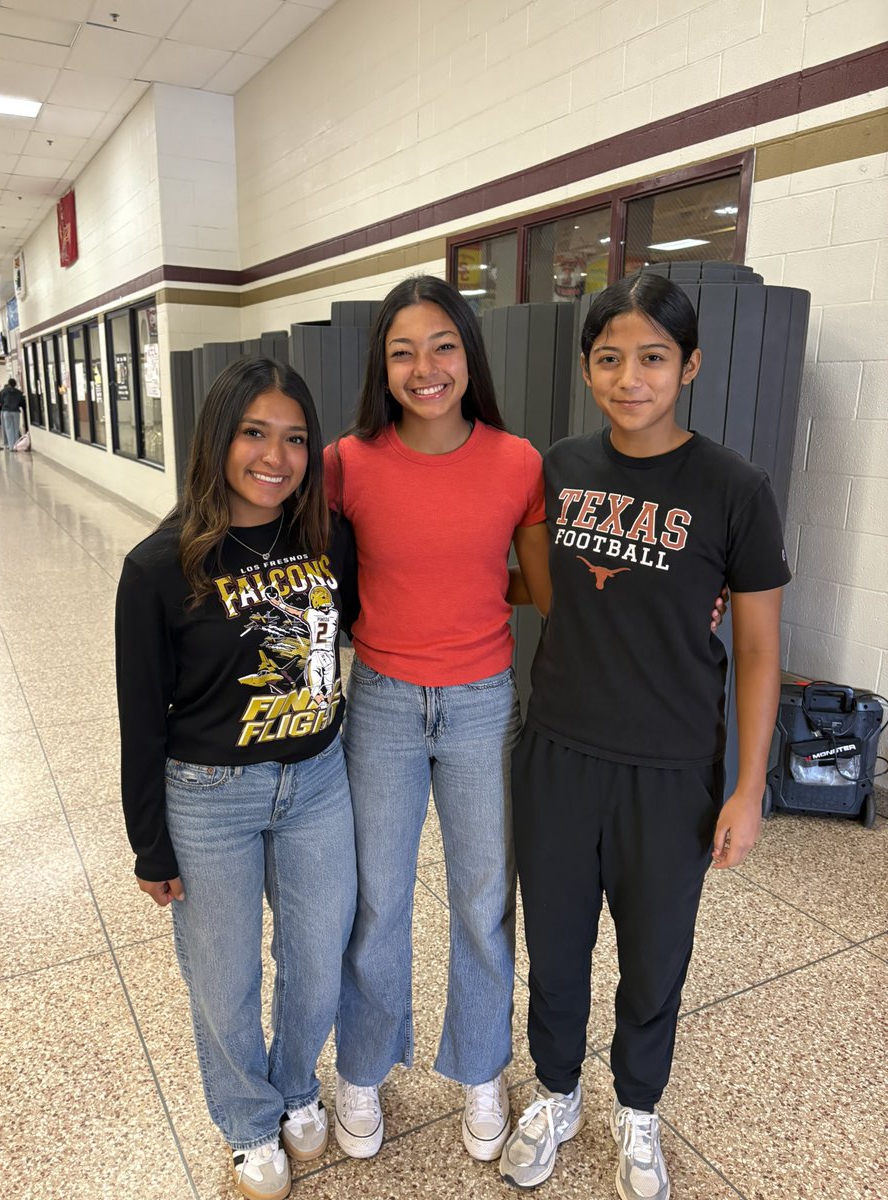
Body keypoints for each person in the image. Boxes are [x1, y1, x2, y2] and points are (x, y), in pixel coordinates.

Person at [499, 272, 790, 1200]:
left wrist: (747, 788)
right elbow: (528, 582)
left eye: (653, 358)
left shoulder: (735, 489)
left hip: (671, 768)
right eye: (611, 358)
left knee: (656, 952)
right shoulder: (560, 467)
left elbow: (756, 647)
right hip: (558, 752)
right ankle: (555, 1093)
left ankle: (637, 1108)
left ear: (690, 365)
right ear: (588, 369)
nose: (631, 377)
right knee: (555, 943)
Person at [115, 358, 359, 1200]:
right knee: (224, 979)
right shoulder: (159, 566)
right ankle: (249, 1121)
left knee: (317, 959)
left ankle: (296, 1088)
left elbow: (358, 629)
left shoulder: (328, 540)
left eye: (295, 438)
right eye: (255, 432)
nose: (276, 456)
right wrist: (150, 845)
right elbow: (141, 718)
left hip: (318, 784)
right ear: (218, 438)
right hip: (209, 800)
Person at [325, 275, 551, 1164]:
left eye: (443, 346)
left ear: (469, 354)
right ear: (382, 366)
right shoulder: (346, 461)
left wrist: (680, 602)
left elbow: (540, 586)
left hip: (481, 705)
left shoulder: (516, 461)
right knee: (374, 900)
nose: (426, 368)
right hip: (379, 699)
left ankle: (483, 1067)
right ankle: (365, 1066)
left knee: (485, 902)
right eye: (403, 351)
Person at [0, 378, 26, 449]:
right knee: (16, 428)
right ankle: (16, 445)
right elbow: (21, 402)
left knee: (9, 428)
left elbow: (0, 400)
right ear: (15, 384)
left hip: (6, 411)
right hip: (15, 411)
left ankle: (11, 446)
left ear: (8, 383)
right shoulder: (19, 392)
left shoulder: (3, 391)